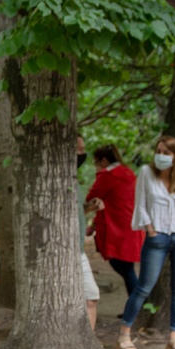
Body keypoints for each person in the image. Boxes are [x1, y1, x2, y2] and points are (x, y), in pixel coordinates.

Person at [117, 136, 175, 349]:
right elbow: (141, 204)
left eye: (166, 153)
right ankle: (124, 335)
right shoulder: (147, 173)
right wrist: (150, 229)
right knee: (144, 286)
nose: (161, 156)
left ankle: (174, 339)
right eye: (159, 151)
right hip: (157, 238)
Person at [86, 144, 145, 298]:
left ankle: (137, 304)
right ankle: (137, 304)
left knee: (125, 268)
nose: (96, 166)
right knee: (127, 268)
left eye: (96, 162)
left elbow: (90, 197)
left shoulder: (108, 175)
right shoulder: (129, 172)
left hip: (116, 227)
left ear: (104, 160)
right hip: (131, 225)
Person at [77, 136, 101, 330]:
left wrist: (89, 208)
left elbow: (76, 212)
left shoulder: (75, 181)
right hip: (60, 253)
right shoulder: (59, 181)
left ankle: (90, 343)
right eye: (77, 149)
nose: (81, 154)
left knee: (91, 296)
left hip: (79, 253)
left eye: (83, 149)